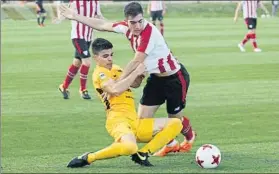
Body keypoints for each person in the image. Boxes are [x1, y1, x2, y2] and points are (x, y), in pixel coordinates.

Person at [60, 1, 195, 157]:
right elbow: (103, 24)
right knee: (142, 120)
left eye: (140, 21)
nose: (137, 26)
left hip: (175, 79)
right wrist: (75, 16)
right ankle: (170, 145)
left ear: (143, 18)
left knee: (175, 120)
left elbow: (136, 61)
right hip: (156, 79)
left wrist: (117, 83)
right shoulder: (126, 28)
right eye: (133, 22)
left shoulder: (149, 33)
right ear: (127, 21)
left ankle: (190, 137)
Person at [67, 38, 183, 168]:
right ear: (95, 58)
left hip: (134, 121)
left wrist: (142, 72)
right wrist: (135, 73)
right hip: (118, 121)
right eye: (105, 56)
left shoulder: (116, 68)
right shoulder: (100, 74)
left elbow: (135, 84)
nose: (110, 59)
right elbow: (115, 90)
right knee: (129, 147)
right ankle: (89, 157)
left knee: (176, 123)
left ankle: (143, 153)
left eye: (111, 55)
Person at [58, 0, 103, 100]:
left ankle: (64, 87)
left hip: (88, 37)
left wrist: (111, 25)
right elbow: (67, 13)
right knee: (87, 62)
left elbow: (99, 16)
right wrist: (60, 17)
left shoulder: (95, 2)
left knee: (77, 63)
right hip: (78, 36)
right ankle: (83, 90)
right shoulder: (75, 2)